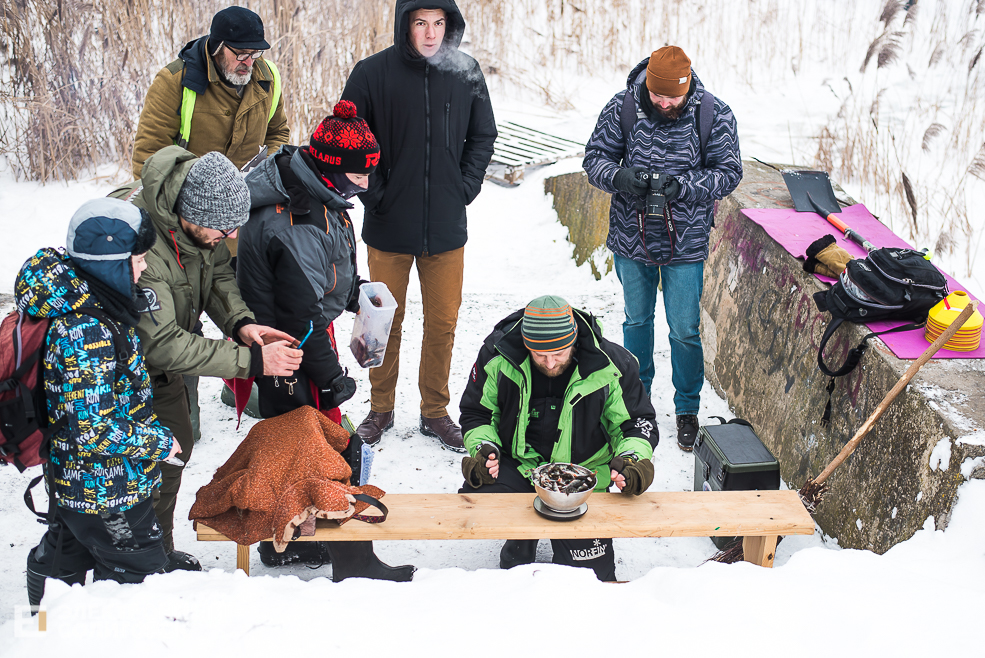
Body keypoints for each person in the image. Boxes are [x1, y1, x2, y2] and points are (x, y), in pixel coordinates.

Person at [236, 102, 413, 580]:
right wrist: (332, 377)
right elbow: (300, 313)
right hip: (284, 346)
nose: (367, 184)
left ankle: (291, 538)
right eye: (360, 175)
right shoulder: (294, 220)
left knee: (297, 445)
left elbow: (324, 275)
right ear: (333, 168)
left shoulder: (320, 194)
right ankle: (344, 556)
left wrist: (357, 295)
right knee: (316, 446)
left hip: (303, 336)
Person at [109, 147, 301, 571]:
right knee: (134, 465)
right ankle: (130, 559)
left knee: (175, 449)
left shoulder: (197, 226)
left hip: (163, 367)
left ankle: (158, 550)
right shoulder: (141, 244)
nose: (229, 236)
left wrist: (241, 322)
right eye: (222, 228)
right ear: (190, 214)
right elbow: (162, 344)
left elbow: (216, 273)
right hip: (120, 373)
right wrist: (252, 361)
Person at [340, 0, 497, 451]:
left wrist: (464, 186)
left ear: (450, 25)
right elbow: (349, 139)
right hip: (388, 224)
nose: (431, 33)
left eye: (439, 23)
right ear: (404, 25)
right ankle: (380, 408)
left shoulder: (465, 71)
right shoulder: (371, 73)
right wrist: (377, 194)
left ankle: (435, 412)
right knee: (380, 320)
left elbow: (483, 135)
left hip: (445, 226)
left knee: (443, 322)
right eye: (421, 23)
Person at [582, 46, 742, 451]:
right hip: (630, 236)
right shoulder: (622, 107)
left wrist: (682, 187)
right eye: (657, 95)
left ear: (687, 88)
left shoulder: (713, 113)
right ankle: (637, 402)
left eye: (673, 96)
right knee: (636, 321)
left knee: (685, 330)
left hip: (686, 243)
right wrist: (621, 178)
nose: (665, 103)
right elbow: (594, 159)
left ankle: (687, 409)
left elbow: (729, 173)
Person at [22, 199, 178, 605]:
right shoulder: (87, 330)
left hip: (77, 480)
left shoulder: (91, 303)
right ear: (110, 266)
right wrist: (161, 443)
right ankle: (64, 630)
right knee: (139, 582)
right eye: (137, 260)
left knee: (61, 562)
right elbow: (94, 429)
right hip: (105, 489)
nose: (144, 267)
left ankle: (42, 629)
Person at [458, 295, 658, 581]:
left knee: (593, 581)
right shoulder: (497, 357)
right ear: (526, 343)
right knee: (479, 497)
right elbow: (477, 413)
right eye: (539, 355)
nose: (550, 364)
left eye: (559, 353)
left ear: (574, 339)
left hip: (582, 478)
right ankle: (520, 540)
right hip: (519, 467)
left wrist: (632, 459)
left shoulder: (612, 364)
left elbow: (636, 424)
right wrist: (483, 449)